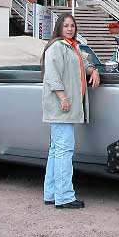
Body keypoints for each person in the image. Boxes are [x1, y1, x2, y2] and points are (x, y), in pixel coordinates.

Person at [41, 13, 100, 209]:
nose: (69, 28)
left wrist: (94, 70)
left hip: (65, 106)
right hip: (62, 106)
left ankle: (51, 193)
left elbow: (85, 61)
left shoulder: (73, 47)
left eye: (72, 26)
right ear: (59, 28)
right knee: (64, 151)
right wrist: (63, 97)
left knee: (56, 151)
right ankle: (65, 196)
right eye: (66, 25)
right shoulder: (56, 47)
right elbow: (52, 75)